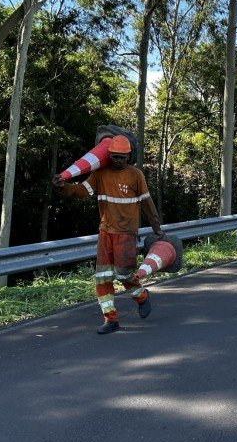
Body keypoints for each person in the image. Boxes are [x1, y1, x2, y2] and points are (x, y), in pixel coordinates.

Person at [52, 134, 165, 334]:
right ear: (109, 155)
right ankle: (110, 319)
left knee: (123, 274)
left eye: (122, 156)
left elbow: (147, 203)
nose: (118, 160)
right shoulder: (100, 174)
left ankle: (142, 296)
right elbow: (81, 191)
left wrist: (157, 229)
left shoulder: (136, 175)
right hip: (106, 232)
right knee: (102, 277)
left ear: (129, 156)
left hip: (126, 233)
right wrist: (64, 187)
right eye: (114, 156)